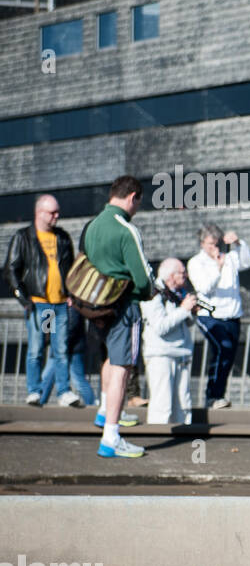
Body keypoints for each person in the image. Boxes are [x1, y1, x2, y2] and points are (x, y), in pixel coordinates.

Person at [82, 176, 153, 458]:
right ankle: (111, 436)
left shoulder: (93, 226)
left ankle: (103, 412)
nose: (137, 208)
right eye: (138, 202)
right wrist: (149, 292)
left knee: (110, 360)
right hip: (124, 308)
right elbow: (143, 279)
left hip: (98, 306)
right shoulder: (126, 229)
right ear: (132, 196)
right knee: (123, 368)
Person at [5, 194, 79, 407]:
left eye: (57, 212)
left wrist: (71, 295)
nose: (57, 216)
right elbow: (11, 269)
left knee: (61, 348)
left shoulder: (62, 237)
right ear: (39, 213)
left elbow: (72, 270)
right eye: (52, 212)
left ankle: (64, 392)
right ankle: (34, 391)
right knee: (37, 348)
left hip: (60, 304)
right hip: (40, 304)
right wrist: (24, 299)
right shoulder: (24, 236)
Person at [187, 224, 250, 410]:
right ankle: (212, 396)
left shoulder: (230, 257)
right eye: (210, 244)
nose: (215, 248)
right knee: (222, 348)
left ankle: (218, 395)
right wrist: (218, 268)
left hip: (232, 315)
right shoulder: (196, 262)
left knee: (228, 355)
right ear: (202, 243)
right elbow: (204, 288)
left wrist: (238, 243)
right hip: (210, 315)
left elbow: (248, 262)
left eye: (217, 244)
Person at [141, 259, 197, 425]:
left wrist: (191, 312)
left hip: (181, 353)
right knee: (162, 405)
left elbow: (182, 321)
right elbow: (160, 327)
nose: (186, 276)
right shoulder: (154, 292)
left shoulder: (178, 292)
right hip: (161, 355)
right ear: (171, 276)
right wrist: (184, 310)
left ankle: (184, 442)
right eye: (182, 273)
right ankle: (159, 441)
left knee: (183, 405)